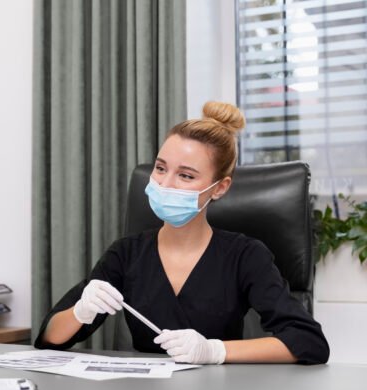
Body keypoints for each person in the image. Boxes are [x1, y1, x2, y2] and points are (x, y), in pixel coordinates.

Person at [35, 101, 329, 365]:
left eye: (186, 175)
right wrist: (81, 312)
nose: (165, 183)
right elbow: (50, 338)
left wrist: (215, 351)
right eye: (161, 168)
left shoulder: (244, 256)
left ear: (220, 188)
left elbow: (309, 342)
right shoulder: (126, 254)